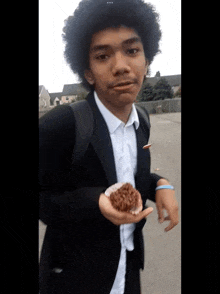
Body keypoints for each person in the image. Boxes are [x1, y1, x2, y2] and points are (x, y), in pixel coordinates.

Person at [39, 0, 179, 293]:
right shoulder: (61, 125)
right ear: (88, 72)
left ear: (147, 58)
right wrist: (95, 203)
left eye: (132, 51)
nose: (121, 67)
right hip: (75, 277)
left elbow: (128, 174)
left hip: (128, 270)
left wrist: (159, 185)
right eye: (103, 56)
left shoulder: (142, 119)